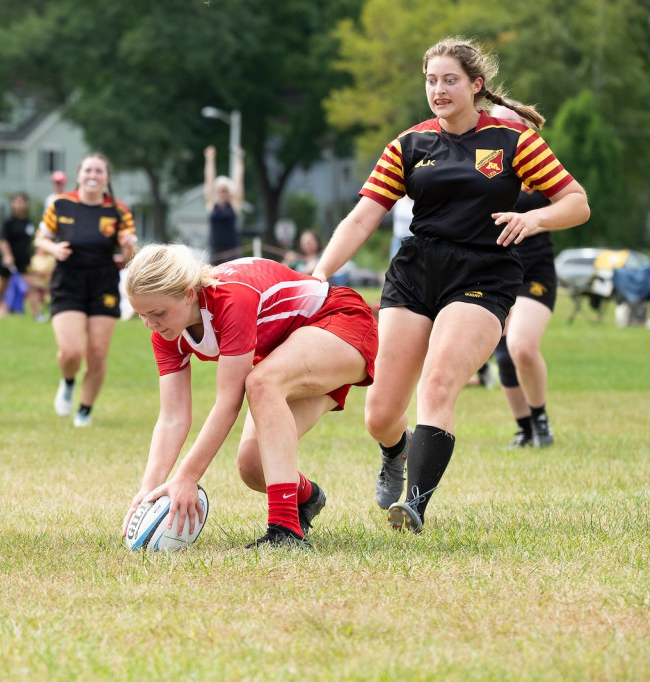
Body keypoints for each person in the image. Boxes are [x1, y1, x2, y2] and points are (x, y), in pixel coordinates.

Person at [312, 36, 589, 533]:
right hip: (416, 272)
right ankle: (395, 450)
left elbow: (577, 202)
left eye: (449, 80)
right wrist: (320, 273)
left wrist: (538, 220)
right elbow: (361, 219)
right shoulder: (408, 144)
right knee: (379, 413)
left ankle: (414, 504)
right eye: (431, 81)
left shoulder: (513, 141)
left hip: (483, 273)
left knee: (438, 384)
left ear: (475, 85)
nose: (438, 90)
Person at [121, 245, 378, 547]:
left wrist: (187, 477)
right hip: (288, 351)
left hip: (339, 322)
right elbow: (173, 418)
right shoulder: (165, 335)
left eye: (158, 313)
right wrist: (149, 490)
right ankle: (308, 497)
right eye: (141, 315)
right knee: (254, 465)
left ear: (189, 293)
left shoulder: (231, 298)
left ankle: (285, 532)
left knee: (261, 382)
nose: (151, 323)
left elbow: (228, 402)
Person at [34, 153, 137, 427]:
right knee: (71, 352)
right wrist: (54, 248)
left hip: (103, 282)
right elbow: (41, 237)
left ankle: (84, 411)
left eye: (99, 171)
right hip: (68, 282)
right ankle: (68, 382)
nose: (93, 175)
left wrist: (127, 246)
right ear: (79, 175)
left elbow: (130, 258)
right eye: (88, 170)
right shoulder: (62, 204)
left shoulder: (118, 210)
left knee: (97, 353)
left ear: (106, 178)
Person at [488, 103, 559, 448]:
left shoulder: (539, 168)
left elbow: (572, 205)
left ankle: (540, 418)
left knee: (521, 346)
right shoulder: (479, 168)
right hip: (492, 273)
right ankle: (524, 429)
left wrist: (535, 221)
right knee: (502, 354)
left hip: (534, 271)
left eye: (515, 126)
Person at [0, 192, 46, 321]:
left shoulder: (29, 222)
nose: (20, 204)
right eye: (17, 201)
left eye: (22, 201)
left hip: (23, 261)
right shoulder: (8, 222)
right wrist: (7, 256)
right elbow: (3, 241)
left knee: (31, 286)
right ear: (12, 204)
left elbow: (30, 241)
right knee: (0, 288)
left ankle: (37, 314)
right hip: (7, 261)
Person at [203, 145, 245, 265]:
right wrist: (210, 160)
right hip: (215, 250)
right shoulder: (212, 204)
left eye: (225, 189)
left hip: (231, 250)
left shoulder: (234, 204)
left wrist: (239, 160)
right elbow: (209, 181)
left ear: (229, 192)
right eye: (220, 189)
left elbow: (239, 182)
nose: (222, 192)